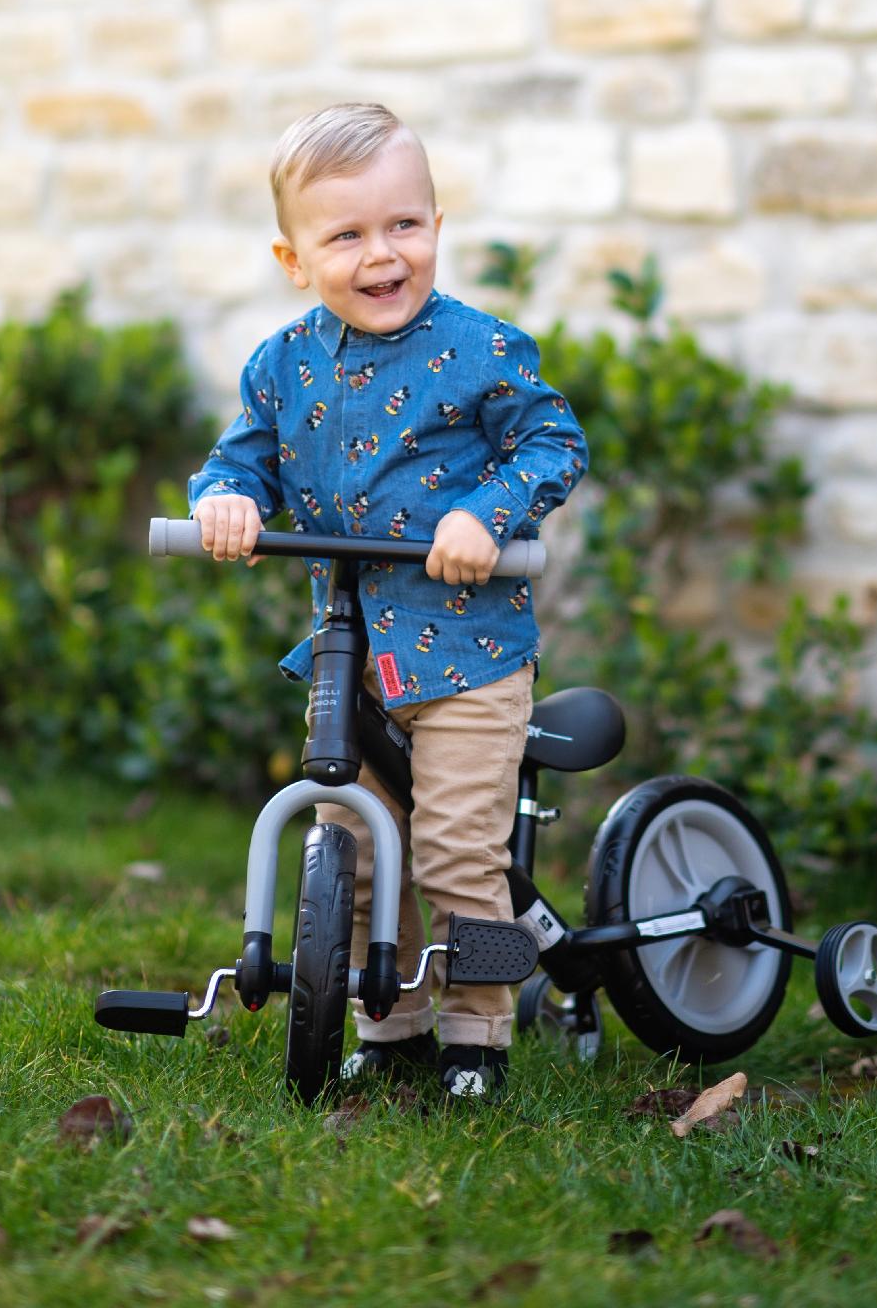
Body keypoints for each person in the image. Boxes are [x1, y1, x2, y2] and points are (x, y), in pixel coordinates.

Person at [189, 101, 587, 1100]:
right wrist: (228, 502)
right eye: (347, 235)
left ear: (436, 228)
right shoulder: (280, 367)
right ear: (293, 258)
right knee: (356, 844)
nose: (382, 254)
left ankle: (476, 1037)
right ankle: (389, 1022)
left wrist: (486, 514)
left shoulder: (481, 348)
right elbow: (238, 461)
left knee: (455, 852)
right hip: (354, 656)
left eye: (403, 225)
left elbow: (552, 445)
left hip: (467, 656)